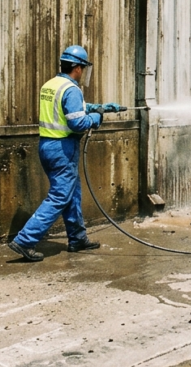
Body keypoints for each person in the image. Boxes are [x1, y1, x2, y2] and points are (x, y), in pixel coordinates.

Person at [8, 45, 121, 262]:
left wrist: (102, 107)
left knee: (71, 192)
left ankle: (77, 238)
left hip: (47, 146)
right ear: (77, 67)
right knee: (60, 195)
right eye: (83, 68)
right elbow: (78, 122)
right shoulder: (71, 89)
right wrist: (97, 119)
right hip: (63, 148)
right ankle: (25, 240)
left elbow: (72, 108)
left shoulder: (51, 85)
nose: (83, 72)